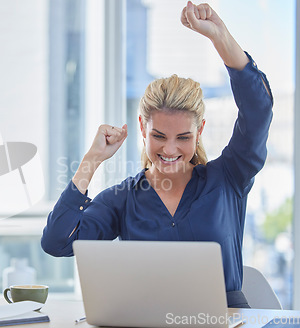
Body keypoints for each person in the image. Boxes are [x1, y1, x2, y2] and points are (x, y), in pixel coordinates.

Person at [41, 1, 273, 309]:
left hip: (227, 321)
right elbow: (57, 242)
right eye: (159, 136)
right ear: (142, 127)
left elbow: (258, 110)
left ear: (200, 130)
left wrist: (220, 37)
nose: (170, 150)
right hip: (149, 319)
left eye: (183, 137)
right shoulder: (123, 199)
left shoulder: (228, 177)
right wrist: (90, 161)